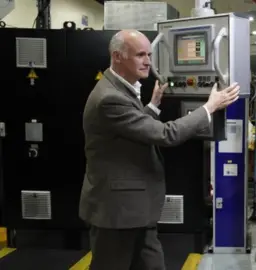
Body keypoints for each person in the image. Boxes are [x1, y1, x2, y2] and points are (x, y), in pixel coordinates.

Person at [78, 29, 240, 269]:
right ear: (117, 56)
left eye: (150, 55)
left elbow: (129, 129)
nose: (148, 62)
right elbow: (167, 134)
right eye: (140, 55)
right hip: (117, 212)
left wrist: (152, 106)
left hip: (136, 209)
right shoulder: (109, 97)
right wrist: (209, 107)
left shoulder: (120, 89)